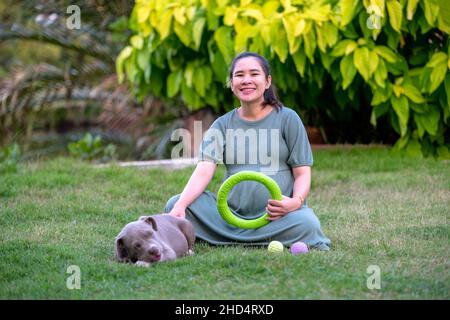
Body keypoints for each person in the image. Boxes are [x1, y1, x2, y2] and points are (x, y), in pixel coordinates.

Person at [165, 52, 331, 250]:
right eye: (239, 75)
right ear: (232, 82)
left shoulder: (288, 118)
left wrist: (295, 202)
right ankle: (238, 235)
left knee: (308, 223)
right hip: (231, 216)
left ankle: (225, 238)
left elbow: (302, 172)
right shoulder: (222, 125)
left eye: (254, 74)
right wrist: (181, 206)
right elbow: (203, 171)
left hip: (278, 216)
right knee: (175, 204)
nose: (246, 80)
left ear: (267, 81)